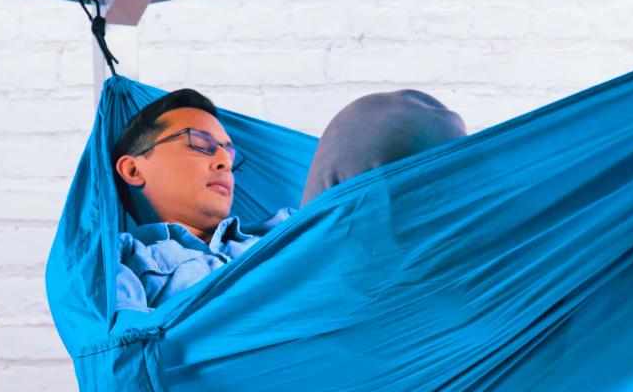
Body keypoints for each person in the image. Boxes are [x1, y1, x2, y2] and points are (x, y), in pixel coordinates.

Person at [111, 87, 468, 310]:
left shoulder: (280, 229)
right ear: (132, 170)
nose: (223, 161)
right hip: (276, 346)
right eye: (201, 144)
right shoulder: (124, 258)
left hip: (375, 303)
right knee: (374, 123)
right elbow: (123, 356)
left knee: (411, 124)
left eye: (229, 153)